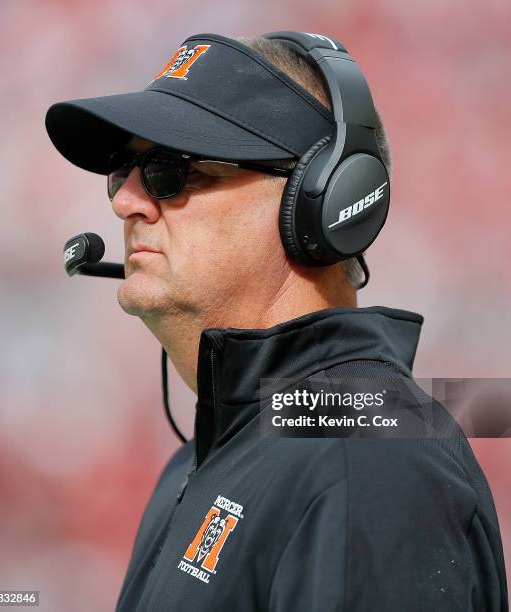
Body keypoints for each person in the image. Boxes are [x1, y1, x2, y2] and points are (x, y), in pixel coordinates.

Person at [46, 32, 508, 611]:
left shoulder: (365, 461)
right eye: (123, 171)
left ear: (322, 201)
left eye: (171, 171)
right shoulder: (201, 462)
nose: (126, 202)